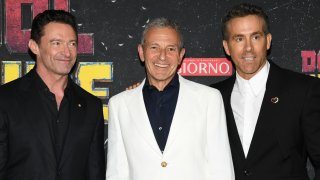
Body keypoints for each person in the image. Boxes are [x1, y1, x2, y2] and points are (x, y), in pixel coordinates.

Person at [106, 17, 234, 180]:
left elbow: (221, 170)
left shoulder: (209, 99)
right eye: (154, 47)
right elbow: (117, 173)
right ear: (141, 52)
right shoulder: (119, 105)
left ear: (181, 55)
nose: (162, 57)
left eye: (171, 49)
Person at [211, 3, 320, 180]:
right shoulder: (213, 96)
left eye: (255, 37)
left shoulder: (303, 90)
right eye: (239, 39)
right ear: (226, 47)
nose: (248, 48)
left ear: (268, 41)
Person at [0, 10, 105, 180]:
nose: (67, 52)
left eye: (72, 43)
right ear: (35, 47)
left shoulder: (91, 106)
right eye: (56, 43)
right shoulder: (6, 100)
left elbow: (95, 171)